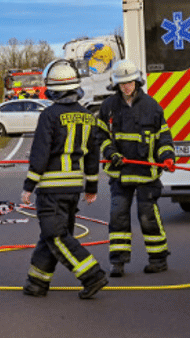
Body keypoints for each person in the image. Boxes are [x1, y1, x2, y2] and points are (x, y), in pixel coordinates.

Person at [21, 59, 108, 299]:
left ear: (52, 89)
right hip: (73, 190)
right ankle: (36, 283)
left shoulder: (49, 115)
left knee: (56, 236)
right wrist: (91, 187)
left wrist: (29, 186)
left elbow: (40, 153)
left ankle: (92, 275)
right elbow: (93, 156)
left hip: (50, 189)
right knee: (51, 235)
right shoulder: (88, 116)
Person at [97, 59, 175, 277]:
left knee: (147, 217)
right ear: (116, 84)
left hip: (146, 174)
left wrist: (167, 157)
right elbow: (100, 137)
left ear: (137, 81)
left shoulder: (152, 106)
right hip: (120, 174)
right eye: (122, 84)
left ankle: (158, 259)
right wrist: (111, 154)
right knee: (118, 216)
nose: (126, 87)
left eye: (130, 82)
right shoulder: (108, 107)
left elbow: (164, 138)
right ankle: (118, 263)